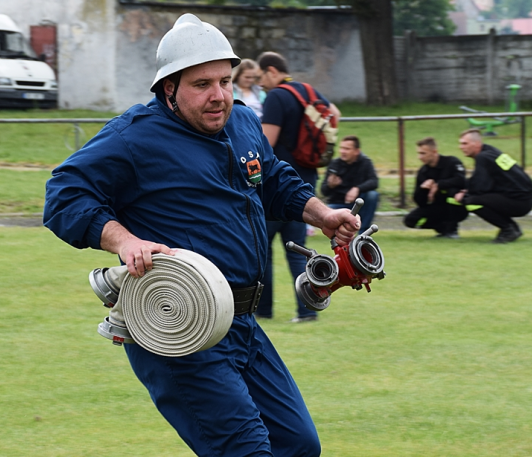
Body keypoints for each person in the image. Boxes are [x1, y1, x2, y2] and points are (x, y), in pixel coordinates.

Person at [43, 14, 361, 456]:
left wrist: (321, 213)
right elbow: (63, 196)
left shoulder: (243, 122)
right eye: (202, 84)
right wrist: (123, 241)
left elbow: (271, 178)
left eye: (225, 81)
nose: (219, 96)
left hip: (244, 322)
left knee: (300, 446)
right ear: (168, 88)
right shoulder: (134, 137)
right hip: (178, 327)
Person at [255, 51, 341, 323]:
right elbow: (335, 114)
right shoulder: (307, 90)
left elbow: (265, 143)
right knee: (298, 249)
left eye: (261, 78)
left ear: (271, 71)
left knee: (261, 247)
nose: (260, 84)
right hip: (307, 180)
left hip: (280, 186)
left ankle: (263, 310)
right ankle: (307, 310)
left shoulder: (277, 97)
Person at [454, 129, 532, 243]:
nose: (460, 147)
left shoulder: (483, 157)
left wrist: (464, 194)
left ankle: (508, 229)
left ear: (476, 144)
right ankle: (512, 228)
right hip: (524, 199)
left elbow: (480, 187)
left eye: (464, 143)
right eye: (460, 143)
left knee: (471, 201)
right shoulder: (490, 151)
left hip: (518, 202)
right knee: (476, 197)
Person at [403, 136, 468, 238]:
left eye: (423, 153)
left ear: (434, 152)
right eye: (419, 153)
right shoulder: (423, 172)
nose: (419, 157)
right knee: (409, 220)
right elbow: (420, 202)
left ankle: (452, 230)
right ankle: (443, 229)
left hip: (457, 207)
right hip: (437, 207)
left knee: (452, 191)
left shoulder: (452, 162)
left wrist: (438, 185)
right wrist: (423, 189)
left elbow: (462, 181)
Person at [320, 135, 380, 232]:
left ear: (357, 151)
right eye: (341, 148)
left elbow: (374, 181)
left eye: (347, 149)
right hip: (338, 204)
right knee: (325, 211)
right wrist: (330, 185)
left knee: (372, 195)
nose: (342, 151)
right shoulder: (335, 164)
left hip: (358, 204)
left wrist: (357, 188)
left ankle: (363, 232)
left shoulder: (365, 162)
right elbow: (324, 191)